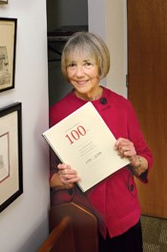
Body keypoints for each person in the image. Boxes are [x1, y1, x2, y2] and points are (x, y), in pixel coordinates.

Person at [49, 32, 153, 252]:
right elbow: (48, 176)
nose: (79, 74)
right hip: (83, 219)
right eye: (72, 65)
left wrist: (134, 159)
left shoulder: (122, 106)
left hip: (123, 216)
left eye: (87, 64)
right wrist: (62, 179)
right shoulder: (57, 113)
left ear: (100, 66)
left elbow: (145, 159)